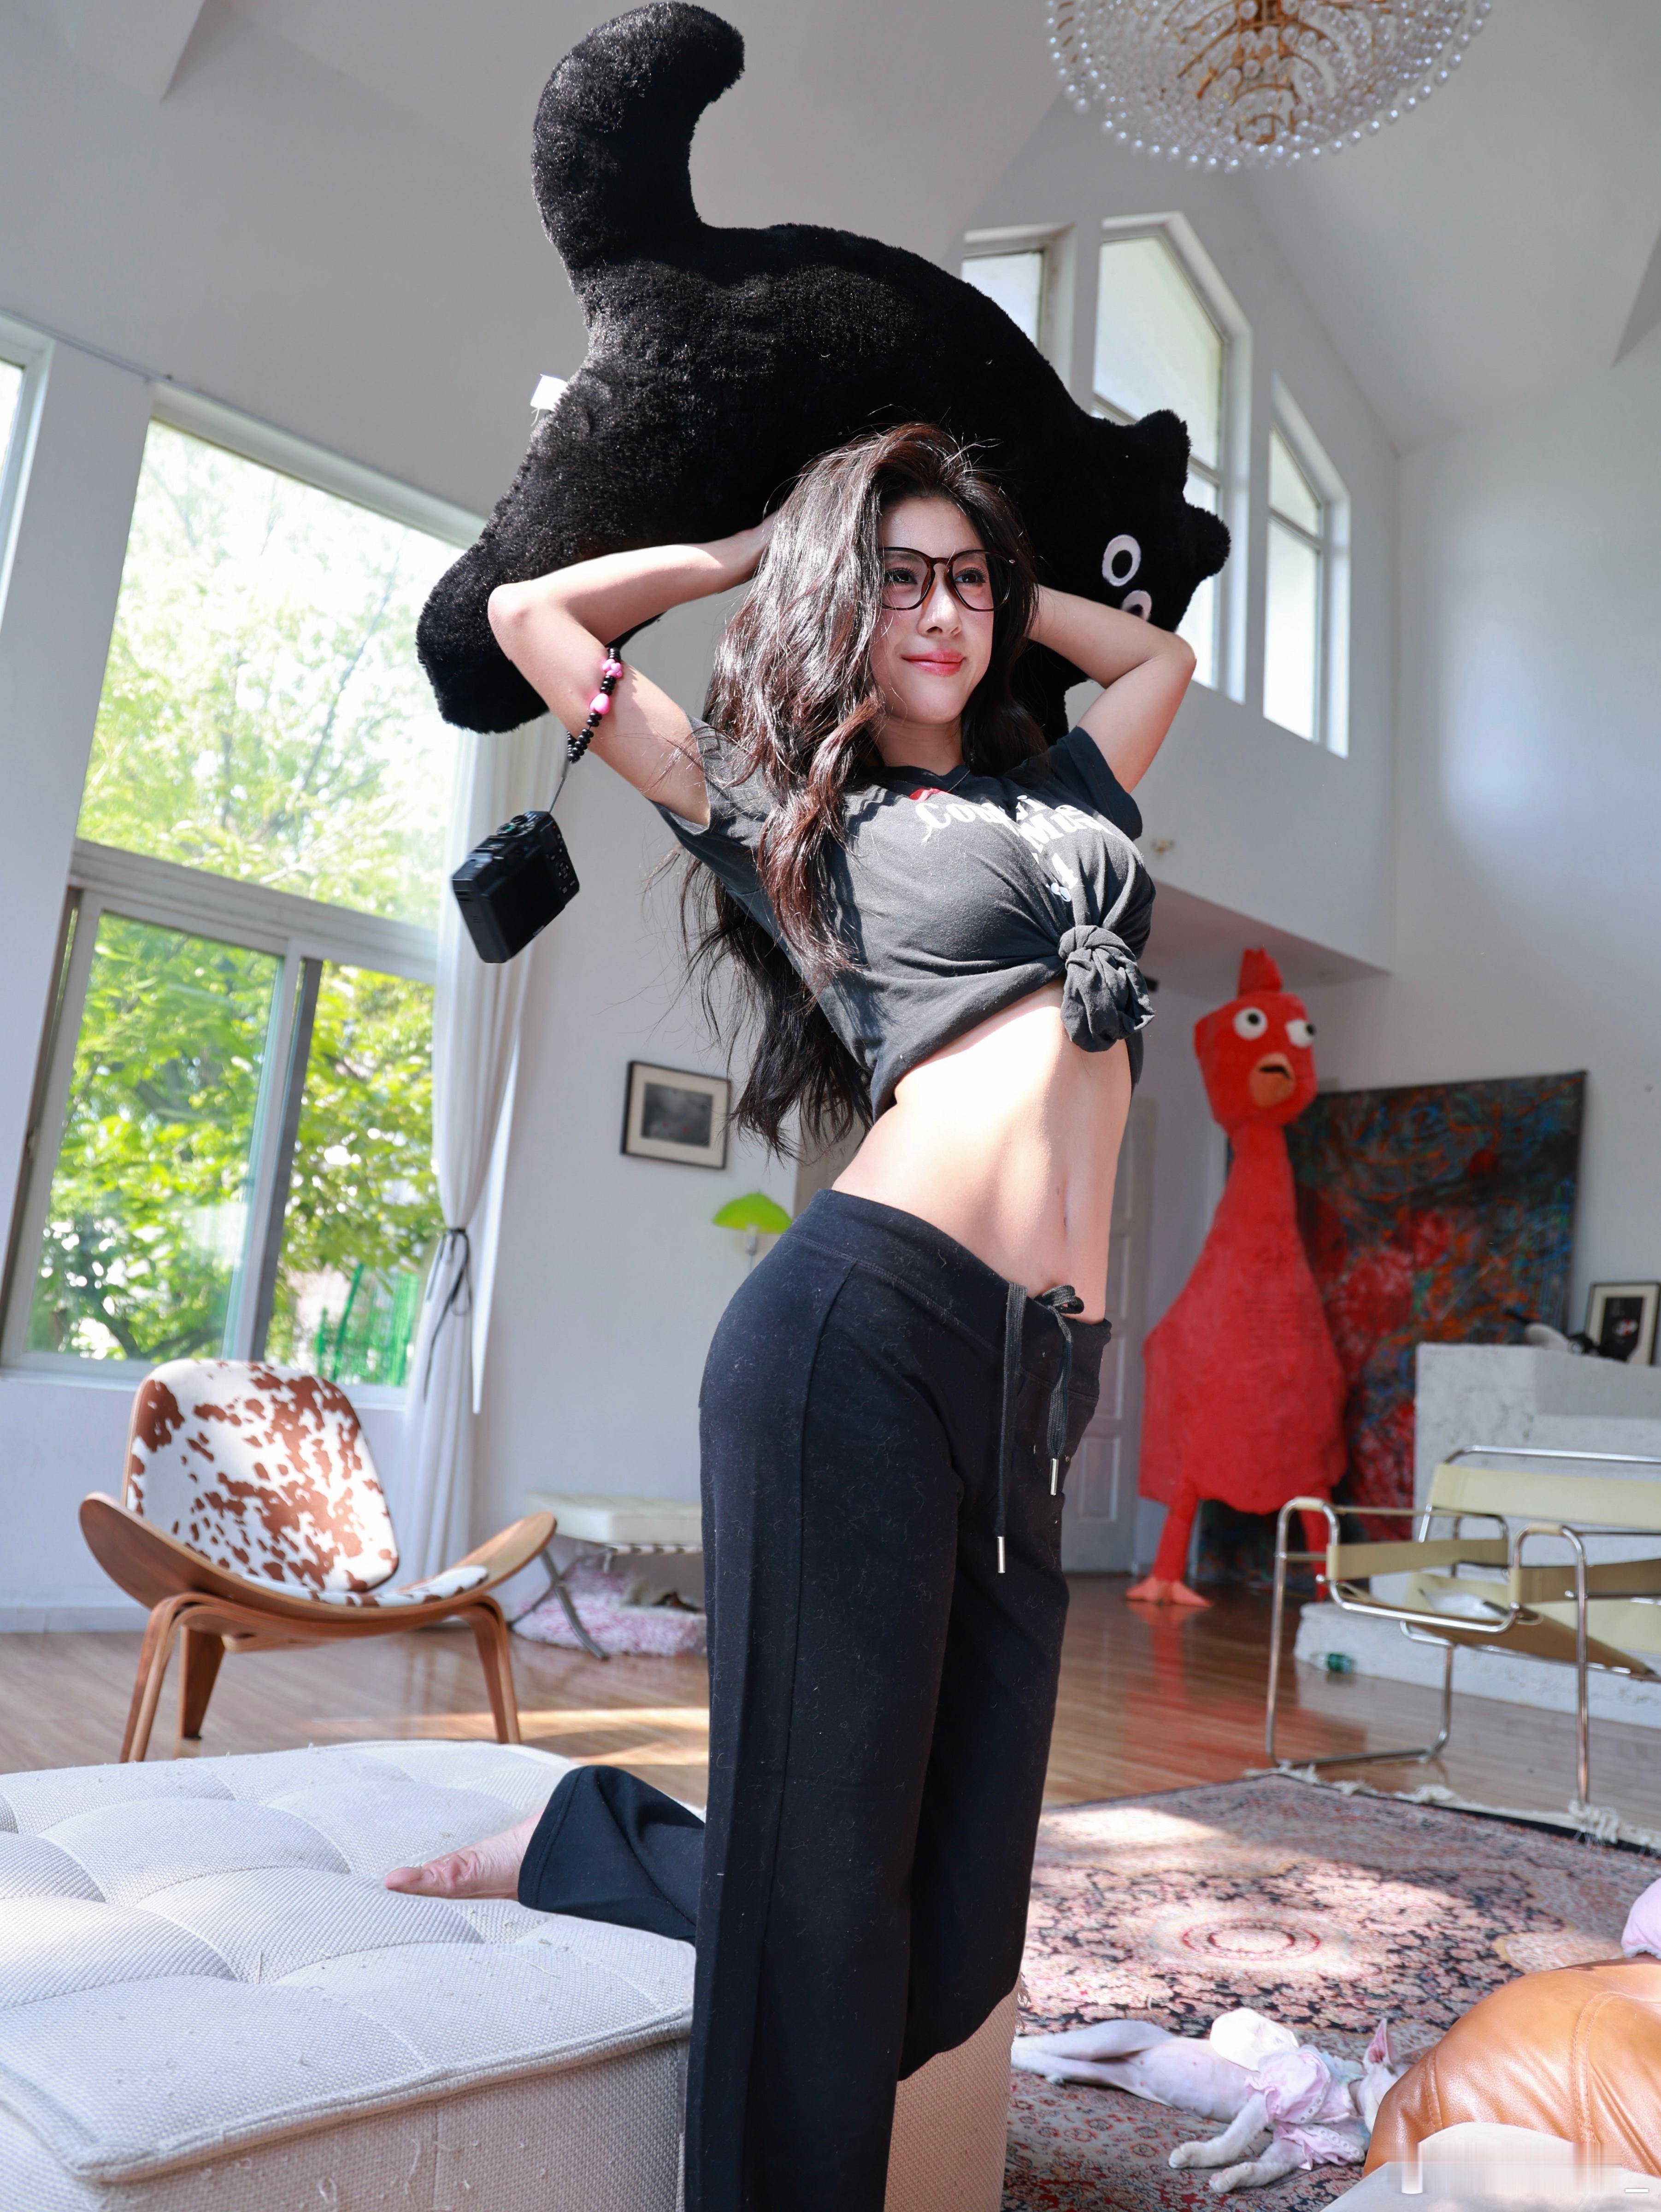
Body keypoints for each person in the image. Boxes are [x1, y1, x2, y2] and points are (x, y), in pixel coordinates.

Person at [387, 424, 1195, 2210]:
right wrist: (766, 548)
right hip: (862, 1331)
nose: (942, 612)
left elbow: (1161, 656)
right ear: (847, 599)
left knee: (957, 1921)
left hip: (1031, 1378)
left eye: (965, 583)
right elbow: (531, 621)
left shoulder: (1068, 790)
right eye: (899, 583)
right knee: (827, 1913)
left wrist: (998, 578)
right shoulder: (789, 815)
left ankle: (589, 1834)